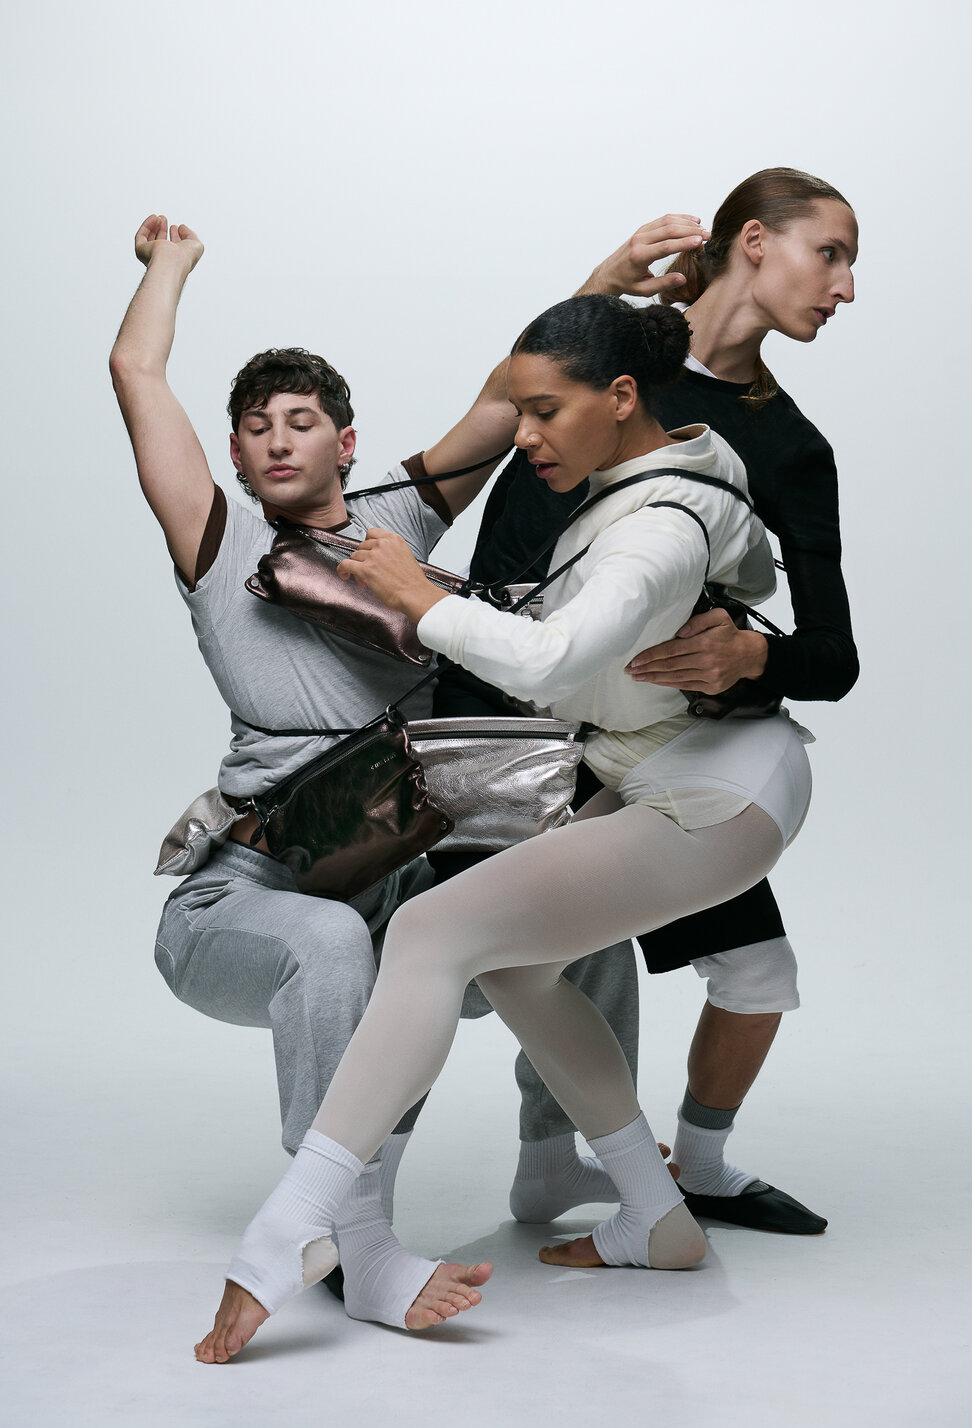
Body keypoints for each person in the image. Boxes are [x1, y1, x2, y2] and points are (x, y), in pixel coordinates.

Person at [194, 292, 814, 1363]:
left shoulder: (657, 528)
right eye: (517, 411)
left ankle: (287, 1227)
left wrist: (411, 592)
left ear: (620, 400)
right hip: (686, 769)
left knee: (433, 933)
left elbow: (546, 662)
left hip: (713, 794)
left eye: (542, 412)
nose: (520, 435)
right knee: (526, 967)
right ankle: (654, 1219)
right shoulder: (635, 480)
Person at [111, 214, 675, 1333]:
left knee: (584, 915)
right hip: (250, 898)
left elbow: (518, 402)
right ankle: (348, 1232)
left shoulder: (400, 520)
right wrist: (168, 263)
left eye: (302, 423)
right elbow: (136, 371)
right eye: (257, 429)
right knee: (330, 948)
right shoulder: (219, 543)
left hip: (401, 883)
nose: (279, 442)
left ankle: (550, 1159)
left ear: (345, 441)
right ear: (234, 454)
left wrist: (597, 287)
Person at [453, 168, 858, 1234]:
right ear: (756, 242)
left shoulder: (788, 449)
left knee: (752, 971)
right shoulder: (618, 355)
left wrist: (748, 658)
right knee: (438, 942)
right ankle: (357, 1195)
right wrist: (594, 286)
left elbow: (832, 655)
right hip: (487, 690)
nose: (847, 287)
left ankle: (694, 1171)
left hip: (636, 738)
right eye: (834, 253)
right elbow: (508, 412)